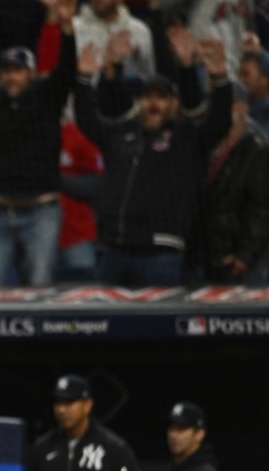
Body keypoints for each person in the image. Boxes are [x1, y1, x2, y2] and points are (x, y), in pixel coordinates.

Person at [75, 37, 233, 286]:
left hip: (160, 252)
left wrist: (220, 79)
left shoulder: (186, 139)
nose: (153, 104)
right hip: (114, 249)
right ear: (139, 103)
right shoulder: (122, 133)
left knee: (158, 325)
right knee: (106, 324)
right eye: (147, 97)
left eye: (161, 98)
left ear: (173, 103)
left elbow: (220, 123)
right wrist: (84, 80)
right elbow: (87, 121)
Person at [0, 0, 77, 287]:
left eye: (18, 70)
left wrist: (68, 30)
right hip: (0, 212)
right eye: (6, 70)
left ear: (30, 73)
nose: (11, 76)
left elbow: (67, 71)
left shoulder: (47, 99)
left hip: (40, 211)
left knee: (40, 286)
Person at [193, 88, 269, 284]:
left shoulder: (258, 150)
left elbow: (265, 211)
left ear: (242, 108)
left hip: (245, 264)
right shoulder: (206, 143)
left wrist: (244, 256)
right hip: (209, 258)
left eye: (227, 104)